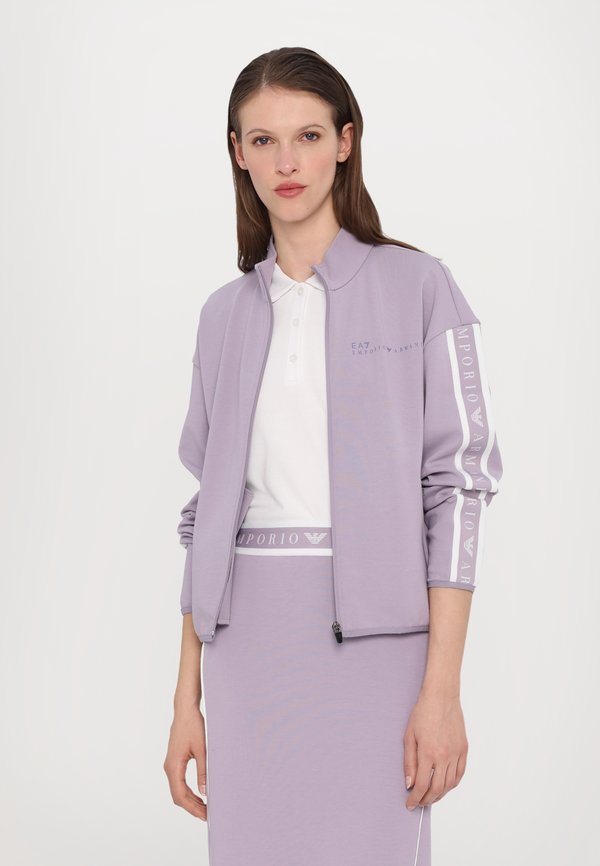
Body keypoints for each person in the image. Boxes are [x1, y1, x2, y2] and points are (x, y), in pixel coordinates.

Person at [163, 46, 503, 866]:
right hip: (247, 649)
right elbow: (206, 515)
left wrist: (443, 690)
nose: (287, 162)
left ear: (346, 142)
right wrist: (186, 701)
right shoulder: (222, 316)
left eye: (309, 136)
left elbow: (458, 486)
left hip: (381, 649)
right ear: (238, 153)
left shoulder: (419, 287)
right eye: (264, 140)